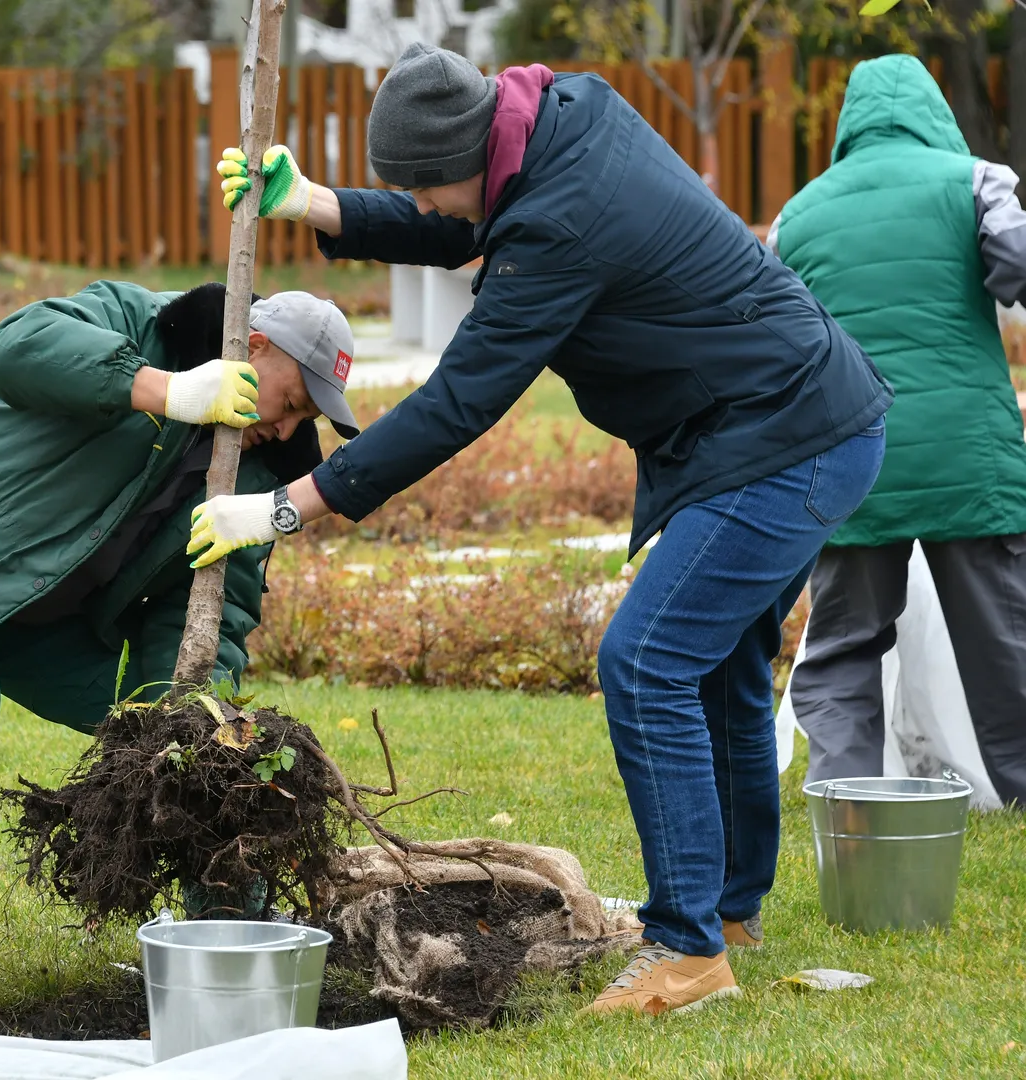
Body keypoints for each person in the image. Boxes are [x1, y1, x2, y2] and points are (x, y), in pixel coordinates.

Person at [197, 43, 892, 1014]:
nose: (432, 211)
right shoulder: (559, 124)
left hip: (786, 439)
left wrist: (285, 507)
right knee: (722, 664)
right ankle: (727, 912)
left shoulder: (564, 221)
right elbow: (467, 217)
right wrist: (316, 201)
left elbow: (457, 403)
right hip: (780, 421)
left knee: (645, 661)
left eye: (427, 192)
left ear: (472, 156)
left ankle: (688, 951)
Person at [0, 281, 358, 1025]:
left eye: (307, 416)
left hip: (41, 624)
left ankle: (228, 938)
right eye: (294, 400)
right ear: (256, 347)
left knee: (199, 747)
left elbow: (212, 609)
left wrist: (193, 716)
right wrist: (164, 388)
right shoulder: (140, 324)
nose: (290, 425)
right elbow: (20, 348)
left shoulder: (255, 470)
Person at [769, 55, 1026, 807]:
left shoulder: (799, 214)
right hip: (966, 458)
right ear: (933, 110)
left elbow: (770, 334)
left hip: (852, 462)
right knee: (1005, 644)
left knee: (845, 644)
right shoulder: (976, 182)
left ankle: (845, 797)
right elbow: (1017, 270)